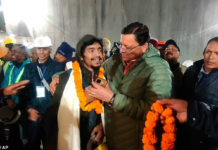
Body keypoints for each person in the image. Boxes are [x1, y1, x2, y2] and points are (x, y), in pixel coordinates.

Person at [85, 22, 172, 150]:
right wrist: (59, 76)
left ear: (144, 46)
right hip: (112, 139)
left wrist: (112, 98)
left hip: (136, 143)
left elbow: (154, 110)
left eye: (128, 47)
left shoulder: (158, 68)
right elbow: (90, 70)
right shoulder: (114, 61)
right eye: (121, 44)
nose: (122, 50)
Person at [43, 35, 104, 150]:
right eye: (91, 50)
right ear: (81, 56)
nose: (97, 54)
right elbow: (52, 115)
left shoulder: (105, 78)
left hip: (96, 140)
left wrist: (102, 126)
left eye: (99, 50)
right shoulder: (67, 79)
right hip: (73, 139)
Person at [19, 36, 65, 150]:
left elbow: (59, 93)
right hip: (33, 115)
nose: (41, 52)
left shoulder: (58, 67)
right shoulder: (28, 67)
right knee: (32, 145)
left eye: (44, 49)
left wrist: (46, 113)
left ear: (50, 50)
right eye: (39, 49)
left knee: (50, 145)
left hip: (50, 116)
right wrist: (29, 110)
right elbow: (23, 91)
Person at [178, 37, 218, 150]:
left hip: (207, 141)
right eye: (208, 52)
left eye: (217, 53)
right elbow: (182, 95)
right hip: (184, 133)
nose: (211, 57)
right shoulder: (192, 70)